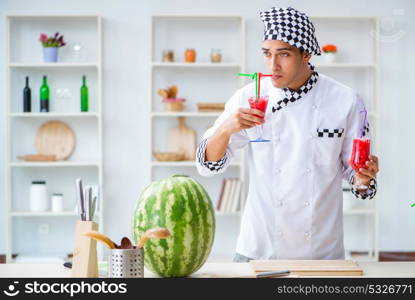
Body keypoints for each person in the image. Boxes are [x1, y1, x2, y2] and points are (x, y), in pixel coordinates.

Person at [196, 6, 379, 261]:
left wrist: (364, 178)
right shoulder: (249, 97)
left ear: (306, 54)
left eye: (283, 54)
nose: (273, 66)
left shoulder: (344, 100)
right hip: (258, 250)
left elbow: (357, 177)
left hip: (321, 254)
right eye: (267, 54)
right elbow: (208, 165)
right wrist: (227, 127)